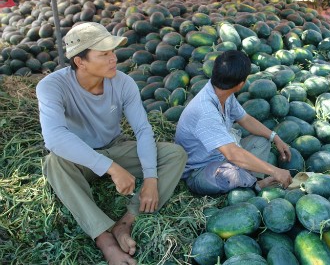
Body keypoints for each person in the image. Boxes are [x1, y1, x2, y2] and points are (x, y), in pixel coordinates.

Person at [36, 22, 187, 265]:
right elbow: (54, 138)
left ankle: (125, 223)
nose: (113, 59)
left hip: (115, 147)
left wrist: (150, 178)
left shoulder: (123, 82)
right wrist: (112, 169)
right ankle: (104, 240)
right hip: (79, 158)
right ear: (80, 62)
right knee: (54, 163)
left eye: (112, 52)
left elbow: (142, 130)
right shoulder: (51, 86)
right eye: (103, 54)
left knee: (175, 155)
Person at [175, 50, 294, 196]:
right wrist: (274, 171)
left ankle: (252, 182)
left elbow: (245, 119)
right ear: (241, 84)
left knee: (262, 141)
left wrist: (275, 138)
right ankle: (256, 185)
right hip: (200, 172)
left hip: (221, 157)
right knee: (232, 174)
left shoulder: (223, 94)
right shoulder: (205, 112)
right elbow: (232, 154)